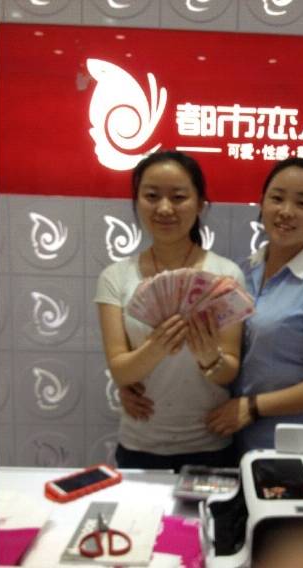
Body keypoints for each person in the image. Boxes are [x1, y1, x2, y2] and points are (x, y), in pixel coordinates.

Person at [94, 150, 244, 471]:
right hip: (140, 444)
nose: (164, 208)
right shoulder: (115, 277)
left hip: (210, 443)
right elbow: (120, 371)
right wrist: (158, 345)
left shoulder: (226, 275)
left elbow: (230, 370)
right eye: (151, 196)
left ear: (200, 204)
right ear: (137, 201)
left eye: (178, 197)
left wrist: (210, 359)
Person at [205, 157, 303, 454]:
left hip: (296, 449)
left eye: (302, 203)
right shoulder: (240, 274)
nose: (286, 211)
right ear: (261, 203)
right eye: (277, 198)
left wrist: (253, 407)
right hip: (235, 442)